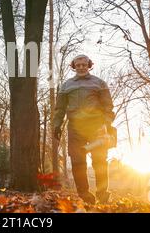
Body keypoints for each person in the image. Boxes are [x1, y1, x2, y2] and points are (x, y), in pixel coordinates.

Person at [53, 54, 115, 204]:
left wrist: (107, 124)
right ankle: (84, 195)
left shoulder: (99, 83)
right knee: (77, 161)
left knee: (100, 160)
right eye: (78, 65)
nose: (81, 67)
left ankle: (102, 194)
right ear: (74, 66)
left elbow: (108, 106)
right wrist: (57, 125)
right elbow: (60, 108)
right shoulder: (66, 85)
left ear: (89, 65)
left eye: (84, 64)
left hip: (97, 127)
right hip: (75, 128)